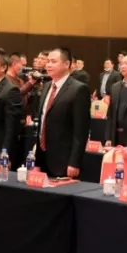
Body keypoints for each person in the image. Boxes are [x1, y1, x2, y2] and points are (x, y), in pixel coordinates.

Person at [35, 47, 90, 178]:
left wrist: (74, 162)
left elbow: (81, 130)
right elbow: (42, 124)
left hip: (64, 160)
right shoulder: (47, 86)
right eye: (48, 61)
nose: (48, 65)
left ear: (66, 64)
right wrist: (37, 160)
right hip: (43, 158)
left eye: (53, 61)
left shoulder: (78, 89)